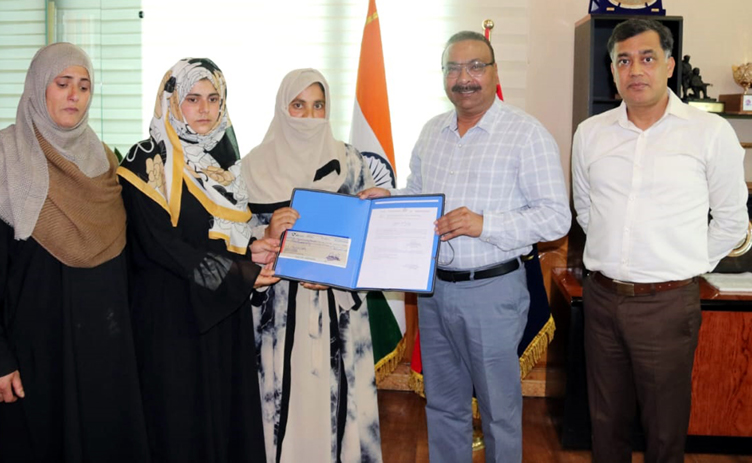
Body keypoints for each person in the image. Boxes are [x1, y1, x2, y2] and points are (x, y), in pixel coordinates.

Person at [361, 31, 570, 463]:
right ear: (443, 76)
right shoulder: (432, 131)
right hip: (434, 290)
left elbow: (556, 217)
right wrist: (390, 198)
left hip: (493, 293)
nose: (465, 77)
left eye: (476, 66)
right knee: (442, 404)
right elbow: (420, 196)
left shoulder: (526, 134)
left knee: (499, 412)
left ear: (494, 72)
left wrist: (484, 224)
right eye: (453, 68)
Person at [0, 42, 149, 462]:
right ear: (38, 88)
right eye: (62, 83)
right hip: (38, 354)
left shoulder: (104, 160)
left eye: (83, 86)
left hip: (106, 347)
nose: (74, 96)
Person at [571, 18, 748, 463]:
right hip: (602, 300)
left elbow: (731, 221)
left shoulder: (709, 133)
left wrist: (683, 262)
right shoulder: (590, 133)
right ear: (611, 71)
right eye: (623, 60)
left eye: (647, 58)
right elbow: (587, 210)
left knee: (664, 430)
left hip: (668, 306)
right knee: (604, 424)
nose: (636, 70)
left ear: (669, 65)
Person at [118, 58, 279, 463]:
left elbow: (217, 233)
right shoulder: (145, 162)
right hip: (171, 318)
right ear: (171, 100)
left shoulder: (220, 162)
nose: (204, 109)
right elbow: (163, 247)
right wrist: (241, 274)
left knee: (225, 419)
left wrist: (249, 252)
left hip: (220, 310)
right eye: (192, 98)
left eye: (213, 98)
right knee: (180, 424)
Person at [241, 68, 383, 463]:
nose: (309, 115)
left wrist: (377, 212)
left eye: (318, 105)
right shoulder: (250, 167)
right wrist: (268, 231)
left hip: (334, 308)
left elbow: (369, 243)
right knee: (277, 407)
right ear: (282, 108)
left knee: (334, 407)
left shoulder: (350, 161)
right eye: (298, 105)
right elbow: (235, 238)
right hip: (275, 311)